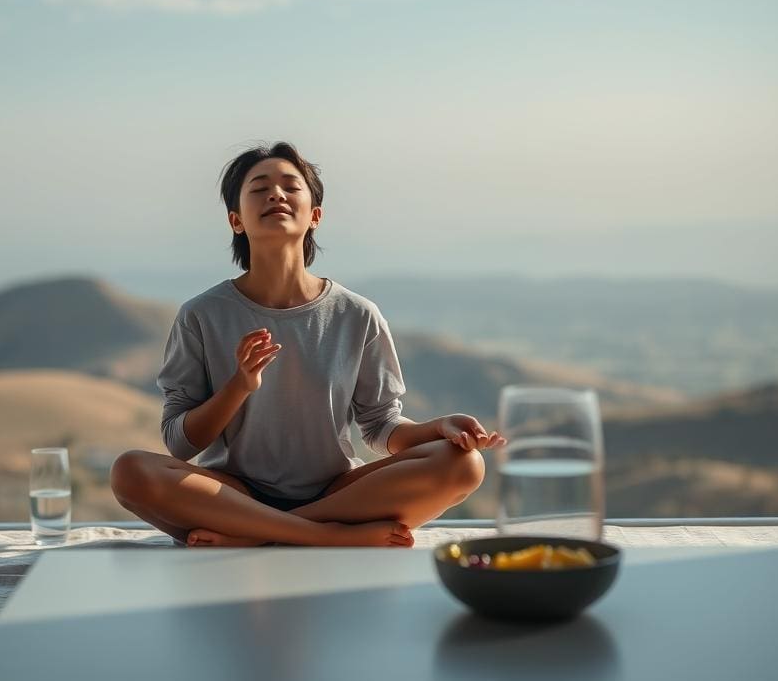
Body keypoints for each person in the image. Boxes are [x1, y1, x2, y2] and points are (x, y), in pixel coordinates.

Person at [110, 141, 506, 547]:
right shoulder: (201, 315)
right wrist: (238, 387)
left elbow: (381, 426)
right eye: (259, 187)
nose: (276, 194)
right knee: (130, 471)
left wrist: (438, 428)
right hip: (230, 495)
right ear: (236, 221)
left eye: (290, 186)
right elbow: (179, 444)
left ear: (314, 216)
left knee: (464, 466)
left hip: (337, 495)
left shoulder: (357, 314)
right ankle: (325, 537)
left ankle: (260, 535)